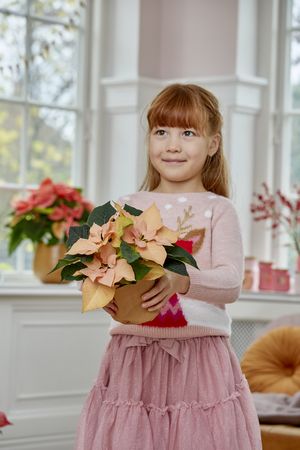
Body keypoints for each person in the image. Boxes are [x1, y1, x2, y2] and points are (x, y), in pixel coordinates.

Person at [75, 83, 262, 450]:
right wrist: (107, 295)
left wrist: (180, 280)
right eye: (161, 132)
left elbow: (231, 283)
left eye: (187, 133)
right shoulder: (126, 206)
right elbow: (106, 269)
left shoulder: (219, 209)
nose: (172, 145)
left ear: (212, 144)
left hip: (200, 360)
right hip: (133, 354)